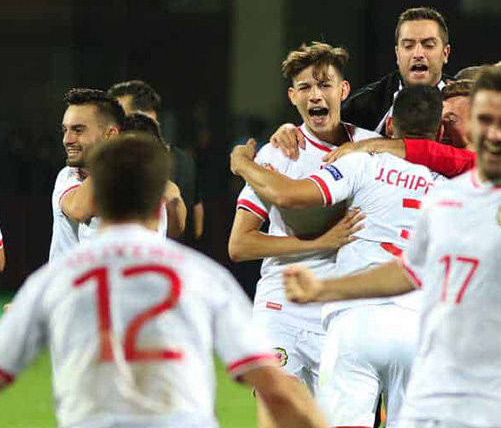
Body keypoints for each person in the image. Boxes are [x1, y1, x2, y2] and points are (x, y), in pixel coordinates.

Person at [283, 66, 501, 428]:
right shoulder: (446, 194)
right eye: (483, 120)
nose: (492, 132)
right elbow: (408, 271)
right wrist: (326, 289)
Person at [0, 134, 327, 428]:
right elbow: (275, 386)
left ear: (97, 192)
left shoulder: (55, 280)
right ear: (160, 193)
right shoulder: (203, 276)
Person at [230, 86, 444, 427]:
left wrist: (242, 163)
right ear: (441, 132)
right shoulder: (453, 183)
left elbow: (290, 194)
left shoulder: (361, 162)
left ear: (389, 128)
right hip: (418, 323)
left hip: (356, 320)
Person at [228, 42, 378, 397]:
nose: (315, 95)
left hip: (344, 314)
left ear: (344, 90)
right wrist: (318, 243)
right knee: (280, 407)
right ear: (293, 96)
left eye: (325, 85)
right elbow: (240, 244)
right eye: (305, 87)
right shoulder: (277, 154)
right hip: (283, 307)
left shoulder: (373, 148)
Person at [269, 7, 452, 158]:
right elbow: (324, 129)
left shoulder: (463, 100)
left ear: (445, 53)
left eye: (428, 45)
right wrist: (290, 130)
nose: (418, 54)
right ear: (397, 54)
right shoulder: (367, 103)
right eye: (408, 45)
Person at [109, 80, 204, 242]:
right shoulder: (184, 159)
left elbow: (192, 225)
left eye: (118, 117)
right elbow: (197, 228)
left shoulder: (116, 162)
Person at [49, 88, 124, 261]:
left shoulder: (136, 177)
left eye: (78, 130)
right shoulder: (68, 176)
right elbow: (78, 209)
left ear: (110, 135)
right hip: (70, 278)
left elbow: (175, 229)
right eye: (65, 130)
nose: (67, 140)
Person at [119, 112, 187, 238]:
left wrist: (174, 203)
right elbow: (79, 211)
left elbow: (176, 231)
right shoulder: (103, 185)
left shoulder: (167, 188)